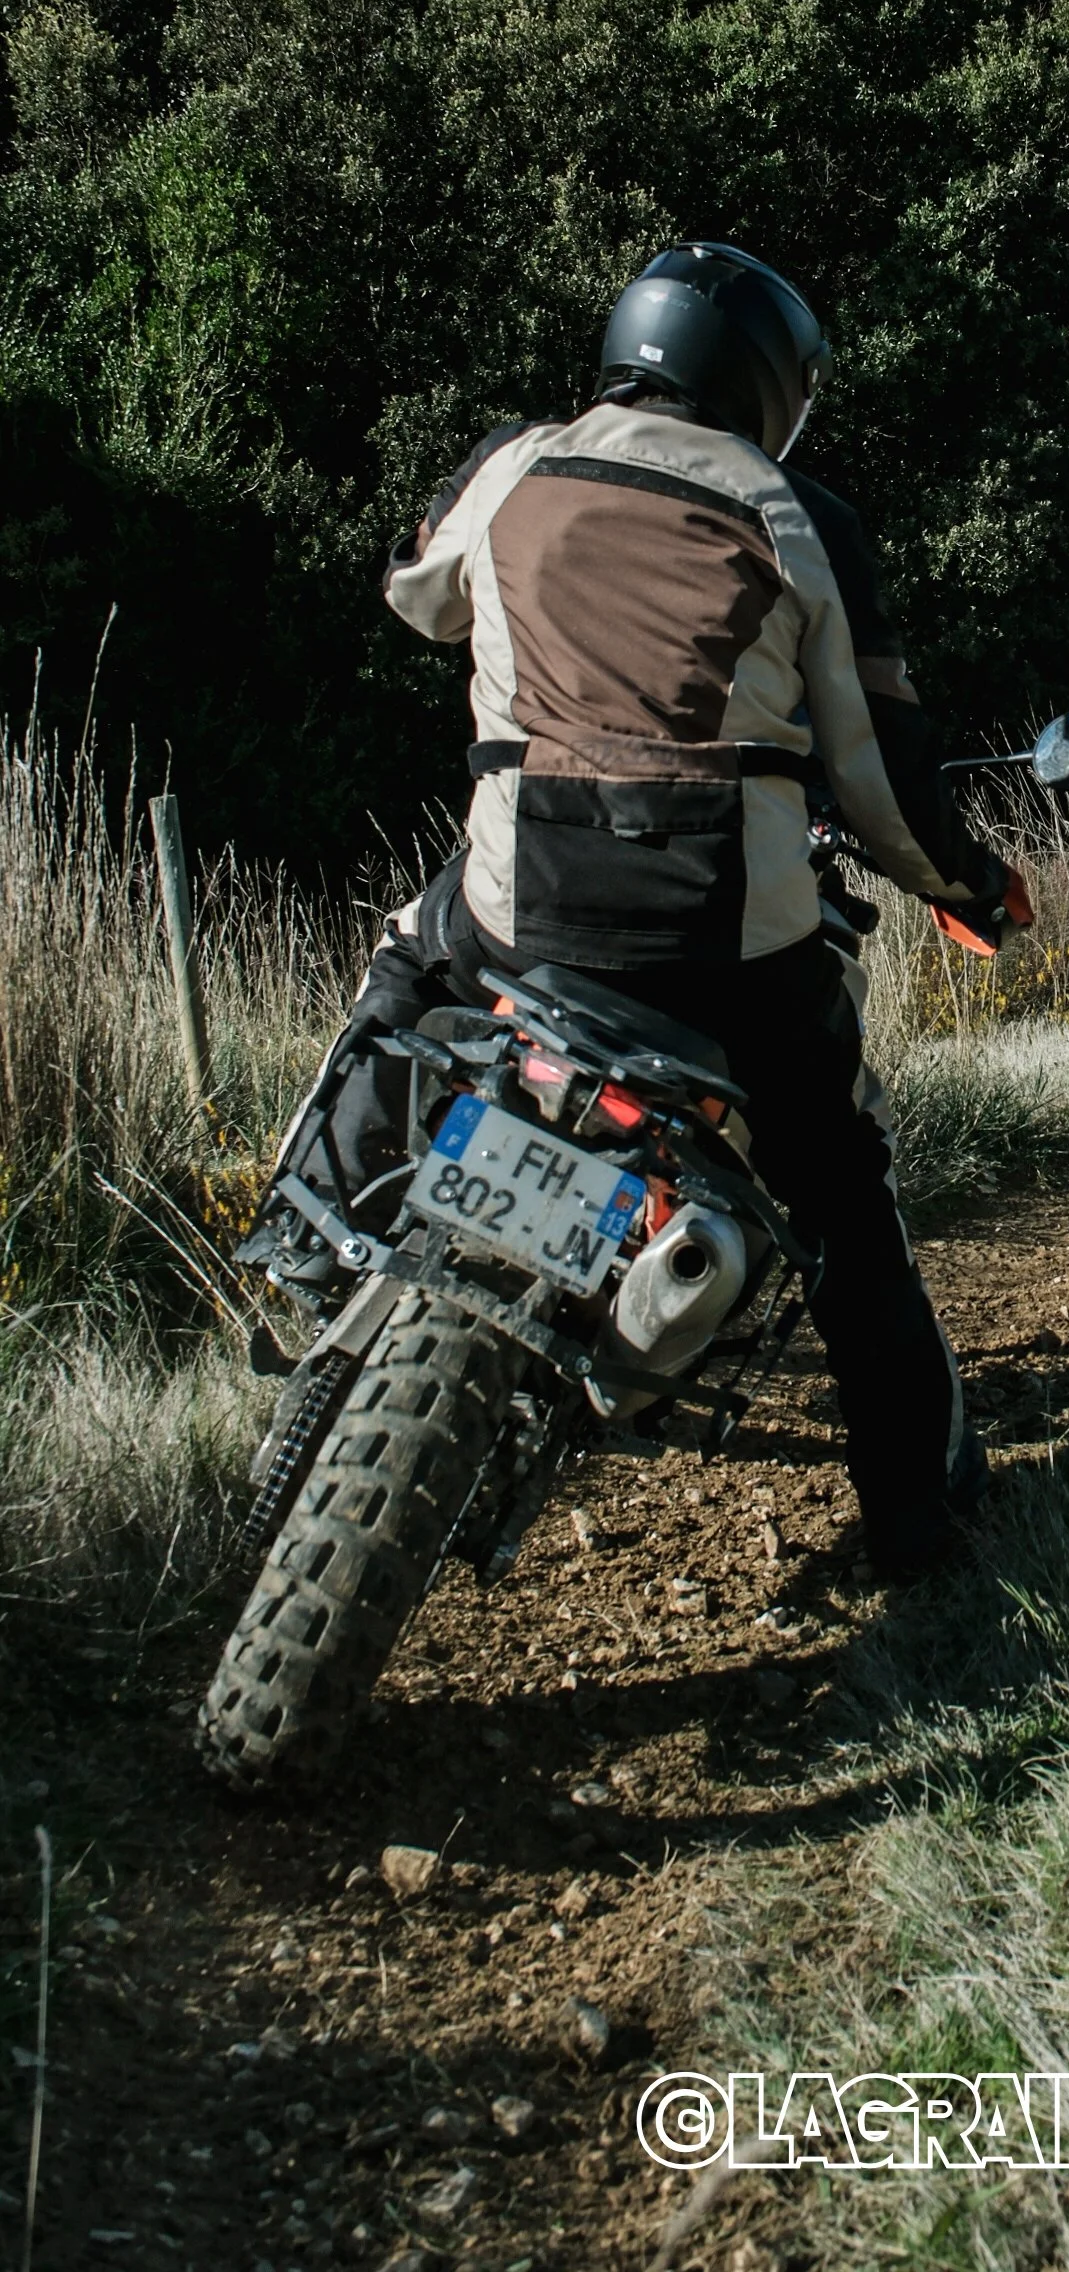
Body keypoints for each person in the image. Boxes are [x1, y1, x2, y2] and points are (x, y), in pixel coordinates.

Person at [290, 244, 1028, 1579]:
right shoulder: (799, 514)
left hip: (524, 904)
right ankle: (922, 1526)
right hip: (728, 943)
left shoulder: (517, 463)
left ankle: (309, 1247)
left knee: (405, 966)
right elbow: (877, 781)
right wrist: (965, 885)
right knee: (839, 1194)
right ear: (765, 386)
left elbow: (420, 599)